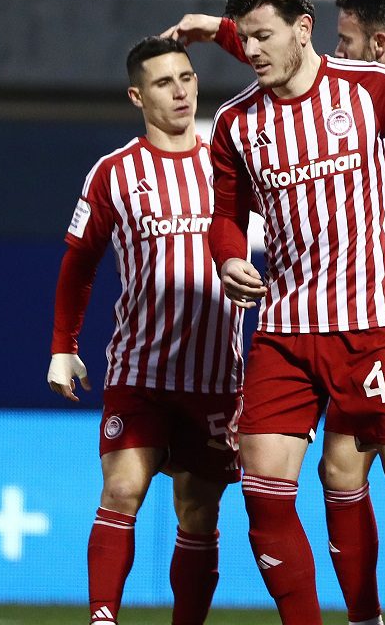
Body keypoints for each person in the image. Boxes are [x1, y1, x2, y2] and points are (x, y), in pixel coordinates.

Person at [165, 0, 385, 625]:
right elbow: (226, 215)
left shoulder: (370, 89)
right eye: (244, 38)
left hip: (373, 327)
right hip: (285, 330)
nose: (252, 50)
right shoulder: (236, 123)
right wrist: (229, 258)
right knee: (264, 488)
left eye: (263, 36)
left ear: (303, 28)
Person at [46, 36, 245, 625]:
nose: (180, 91)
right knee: (122, 490)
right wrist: (62, 347)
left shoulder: (230, 164)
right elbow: (79, 263)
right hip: (141, 370)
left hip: (216, 376)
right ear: (137, 96)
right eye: (163, 82)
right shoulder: (114, 173)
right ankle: (103, 618)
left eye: (186, 77)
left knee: (198, 511)